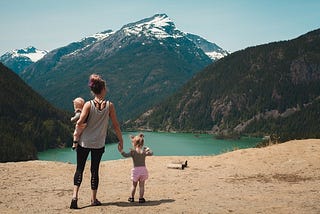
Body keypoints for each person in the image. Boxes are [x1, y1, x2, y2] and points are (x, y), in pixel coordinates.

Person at [70, 74, 124, 209]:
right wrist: (121, 140)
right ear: (103, 89)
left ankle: (74, 198)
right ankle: (93, 199)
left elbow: (80, 121)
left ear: (93, 90)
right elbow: (116, 125)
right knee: (95, 171)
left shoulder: (88, 104)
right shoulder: (110, 106)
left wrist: (77, 133)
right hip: (98, 144)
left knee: (80, 169)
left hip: (84, 142)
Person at [120, 133, 153, 203]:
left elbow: (125, 155)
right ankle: (141, 198)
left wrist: (121, 151)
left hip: (136, 171)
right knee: (141, 186)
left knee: (134, 185)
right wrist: (148, 149)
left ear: (134, 143)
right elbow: (151, 153)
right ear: (142, 143)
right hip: (143, 170)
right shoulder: (144, 152)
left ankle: (131, 198)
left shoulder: (133, 152)